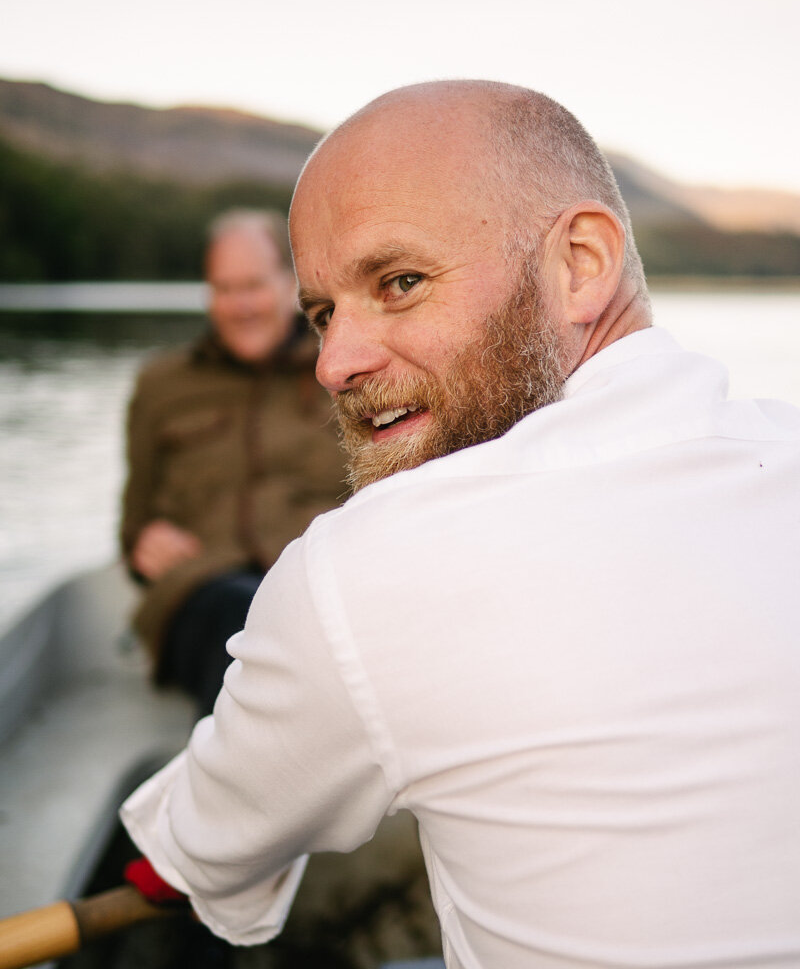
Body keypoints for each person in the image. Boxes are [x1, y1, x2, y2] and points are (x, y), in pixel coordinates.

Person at [121, 82, 800, 968]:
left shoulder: (366, 565)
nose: (333, 363)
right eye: (323, 313)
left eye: (399, 282)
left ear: (583, 262)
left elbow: (202, 849)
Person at [120, 209, 345, 715]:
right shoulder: (161, 386)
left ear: (291, 283)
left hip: (321, 585)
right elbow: (132, 528)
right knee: (246, 622)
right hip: (203, 590)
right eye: (223, 289)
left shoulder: (343, 370)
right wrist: (142, 543)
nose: (239, 305)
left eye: (253, 285)